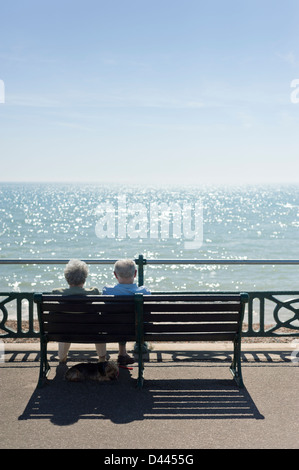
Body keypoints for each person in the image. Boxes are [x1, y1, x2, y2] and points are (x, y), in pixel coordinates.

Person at [52, 259, 107, 363]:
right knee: (99, 327)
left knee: (64, 325)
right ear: (84, 278)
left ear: (67, 278)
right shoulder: (93, 292)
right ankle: (102, 358)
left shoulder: (57, 293)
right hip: (90, 332)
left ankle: (62, 358)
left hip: (66, 332)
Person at [103, 259, 150, 365]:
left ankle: (122, 353)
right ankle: (122, 354)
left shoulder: (107, 291)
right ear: (135, 273)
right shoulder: (144, 292)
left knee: (120, 321)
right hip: (138, 331)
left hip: (113, 330)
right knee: (129, 322)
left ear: (115, 274)